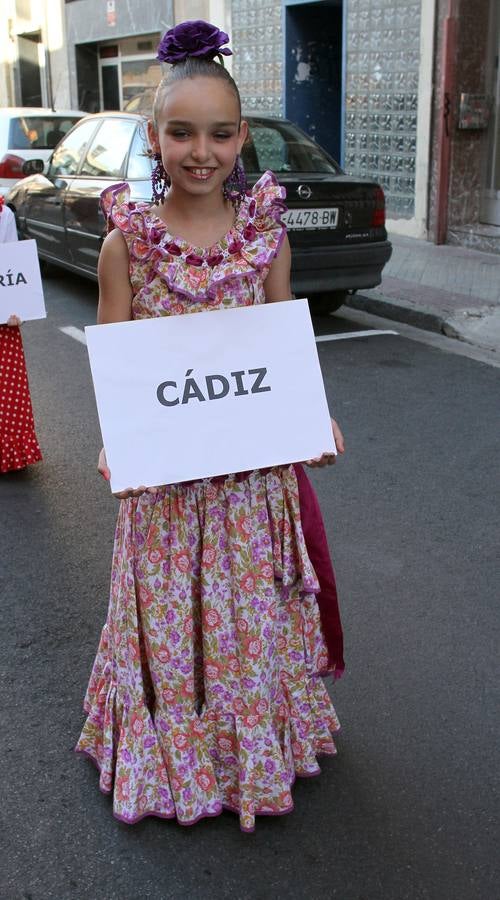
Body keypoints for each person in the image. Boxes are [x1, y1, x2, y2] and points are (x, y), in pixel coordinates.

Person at [76, 20, 344, 832]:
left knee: (246, 620)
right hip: (167, 487)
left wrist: (314, 416)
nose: (202, 152)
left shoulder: (265, 234)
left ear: (242, 138)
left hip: (250, 485)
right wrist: (114, 437)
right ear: (154, 138)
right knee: (170, 616)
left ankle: (250, 753)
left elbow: (281, 335)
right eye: (181, 132)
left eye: (221, 133)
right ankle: (172, 759)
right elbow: (118, 361)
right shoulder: (128, 246)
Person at [0, 200, 42, 473]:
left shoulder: (3, 214)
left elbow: (11, 263)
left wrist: (16, 305)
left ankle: (9, 450)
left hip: (1, 323)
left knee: (5, 389)